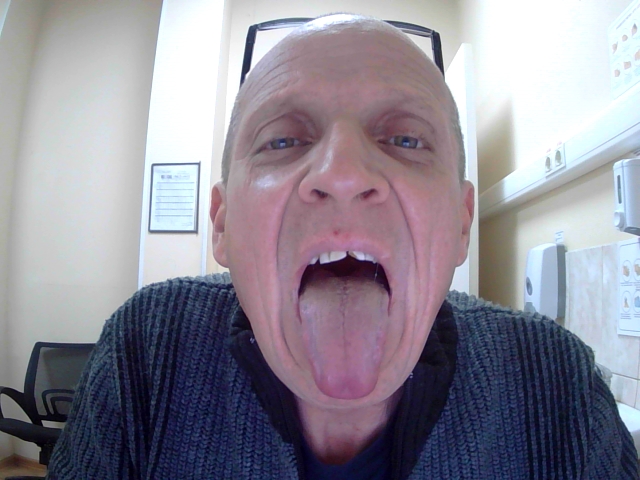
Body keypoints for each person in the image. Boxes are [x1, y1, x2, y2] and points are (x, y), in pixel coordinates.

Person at [47, 14, 637, 479]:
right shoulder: (146, 355)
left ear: (462, 223)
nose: (344, 173)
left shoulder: (557, 385)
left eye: (406, 139)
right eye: (282, 141)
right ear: (221, 223)